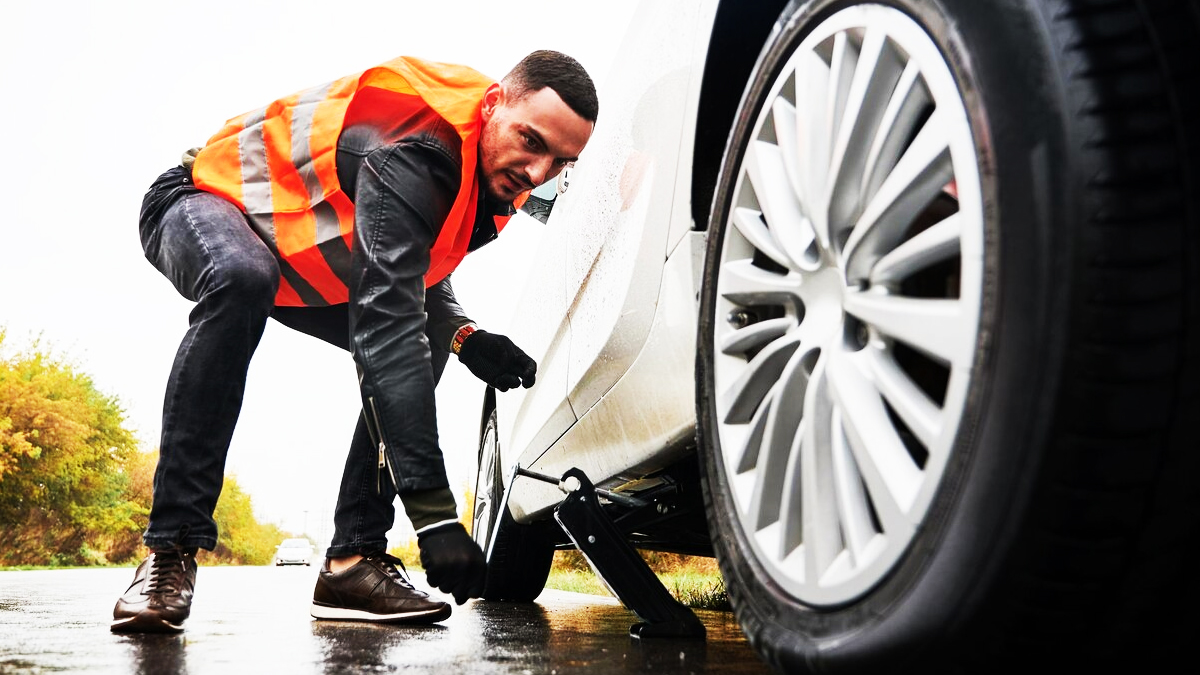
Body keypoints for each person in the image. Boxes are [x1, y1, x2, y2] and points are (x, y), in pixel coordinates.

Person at [110, 50, 597, 634]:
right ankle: (169, 552)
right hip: (198, 201)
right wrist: (436, 516)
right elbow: (384, 330)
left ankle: (352, 562)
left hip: (295, 261)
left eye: (560, 162)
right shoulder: (416, 145)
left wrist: (464, 337)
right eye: (531, 141)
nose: (539, 173)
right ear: (493, 104)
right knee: (243, 280)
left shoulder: (495, 176)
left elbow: (414, 274)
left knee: (419, 333)